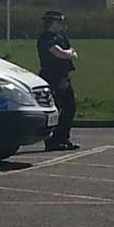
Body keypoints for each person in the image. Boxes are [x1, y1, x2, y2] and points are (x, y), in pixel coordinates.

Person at [37, 9, 78, 151]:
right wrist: (70, 53)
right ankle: (53, 140)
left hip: (64, 76)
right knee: (58, 109)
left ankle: (62, 138)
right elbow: (60, 53)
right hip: (52, 77)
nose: (62, 25)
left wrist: (69, 53)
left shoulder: (60, 37)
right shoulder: (46, 38)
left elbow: (69, 51)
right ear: (51, 23)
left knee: (69, 108)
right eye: (59, 21)